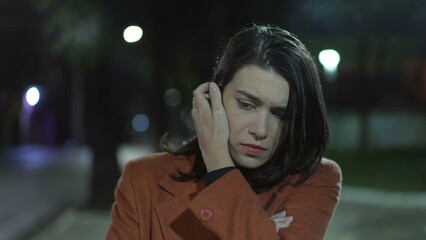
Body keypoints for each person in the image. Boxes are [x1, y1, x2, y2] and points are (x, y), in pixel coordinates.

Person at [106, 24, 342, 240]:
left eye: (281, 115)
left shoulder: (314, 179)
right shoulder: (144, 179)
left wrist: (219, 163)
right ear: (213, 99)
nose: (260, 130)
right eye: (247, 105)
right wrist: (261, 229)